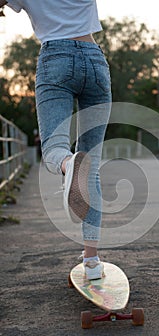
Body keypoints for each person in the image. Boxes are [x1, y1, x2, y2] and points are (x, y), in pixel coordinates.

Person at [0, 0, 112, 280]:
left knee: (54, 148)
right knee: (92, 164)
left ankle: (67, 163)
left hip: (55, 59)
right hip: (94, 58)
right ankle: (92, 261)